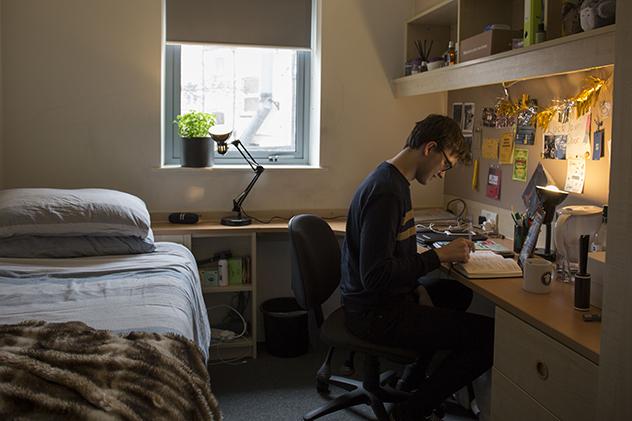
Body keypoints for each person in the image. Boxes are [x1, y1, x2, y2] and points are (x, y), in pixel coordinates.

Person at [341, 114, 494, 421]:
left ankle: (409, 381)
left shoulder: (394, 181)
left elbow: (393, 258)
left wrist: (417, 286)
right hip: (374, 312)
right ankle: (410, 411)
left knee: (454, 294)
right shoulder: (387, 192)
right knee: (489, 337)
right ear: (430, 148)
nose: (442, 173)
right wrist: (439, 257)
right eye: (446, 164)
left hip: (381, 300)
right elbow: (376, 275)